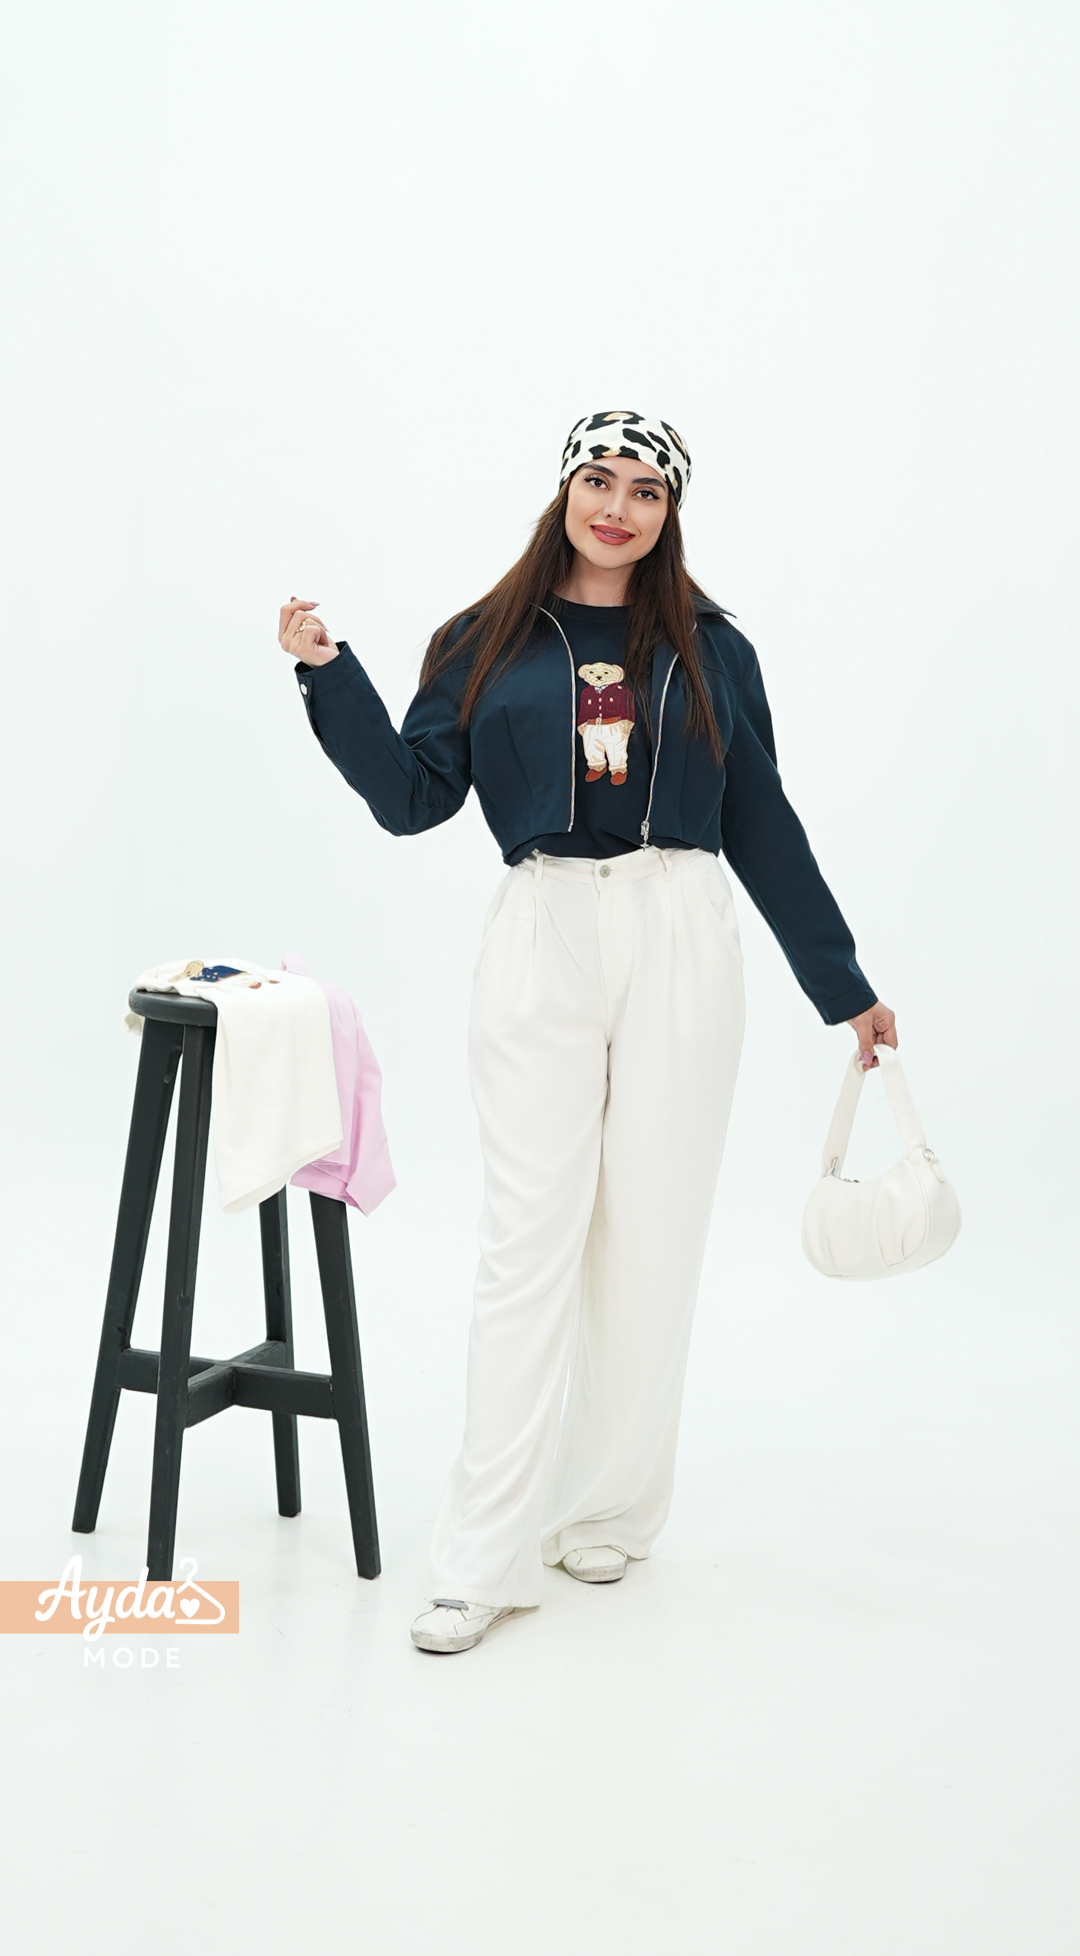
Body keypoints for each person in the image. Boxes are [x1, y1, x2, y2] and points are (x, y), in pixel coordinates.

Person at [278, 408, 897, 1655]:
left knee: (653, 1237)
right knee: (528, 1242)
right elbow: (412, 799)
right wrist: (329, 675)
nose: (618, 507)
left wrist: (840, 983)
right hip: (543, 927)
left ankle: (607, 1509)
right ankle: (482, 1557)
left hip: (680, 925)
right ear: (564, 488)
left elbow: (761, 818)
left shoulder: (713, 647)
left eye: (646, 491)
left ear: (672, 513)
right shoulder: (483, 638)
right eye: (599, 480)